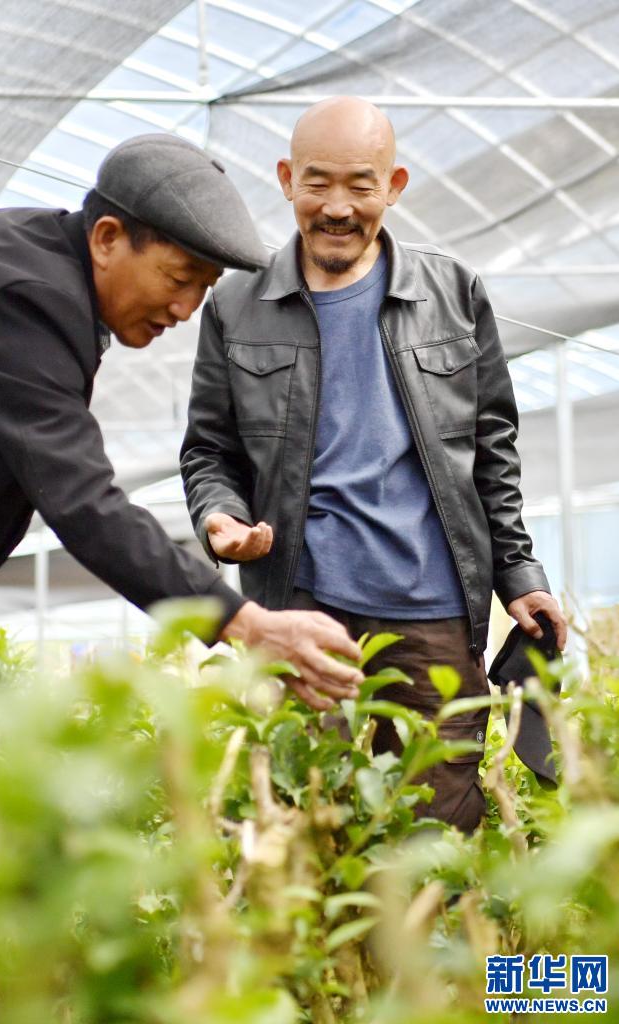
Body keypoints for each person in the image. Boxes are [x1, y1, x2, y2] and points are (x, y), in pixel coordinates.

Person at [0, 133, 364, 701]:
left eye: (203, 288)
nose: (186, 308)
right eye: (179, 278)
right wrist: (243, 622)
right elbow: (82, 502)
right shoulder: (23, 300)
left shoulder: (38, 265)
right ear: (107, 237)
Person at [180, 98, 567, 832]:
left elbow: (491, 447)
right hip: (297, 607)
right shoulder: (237, 305)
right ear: (286, 179)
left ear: (394, 185)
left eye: (360, 185)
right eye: (316, 182)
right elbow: (209, 449)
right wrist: (219, 516)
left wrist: (519, 574)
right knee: (303, 821)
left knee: (435, 832)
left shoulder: (452, 293)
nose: (337, 206)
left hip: (433, 609)